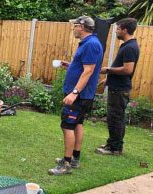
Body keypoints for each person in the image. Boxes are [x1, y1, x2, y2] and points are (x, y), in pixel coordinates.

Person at [48, 16, 103, 176]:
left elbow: (89, 71)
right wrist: (71, 66)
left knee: (67, 126)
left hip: (79, 95)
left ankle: (66, 165)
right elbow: (84, 67)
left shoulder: (91, 44)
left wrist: (74, 93)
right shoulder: (89, 43)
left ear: (82, 27)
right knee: (77, 124)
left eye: (75, 26)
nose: (73, 29)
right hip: (81, 94)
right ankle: (74, 159)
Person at [95, 18, 140, 155]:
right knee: (114, 117)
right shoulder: (127, 45)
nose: (116, 31)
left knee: (116, 118)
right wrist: (108, 79)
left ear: (125, 30)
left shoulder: (130, 47)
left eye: (118, 29)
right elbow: (121, 67)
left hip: (120, 89)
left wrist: (108, 70)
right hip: (117, 86)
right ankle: (112, 143)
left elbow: (127, 70)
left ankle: (115, 148)